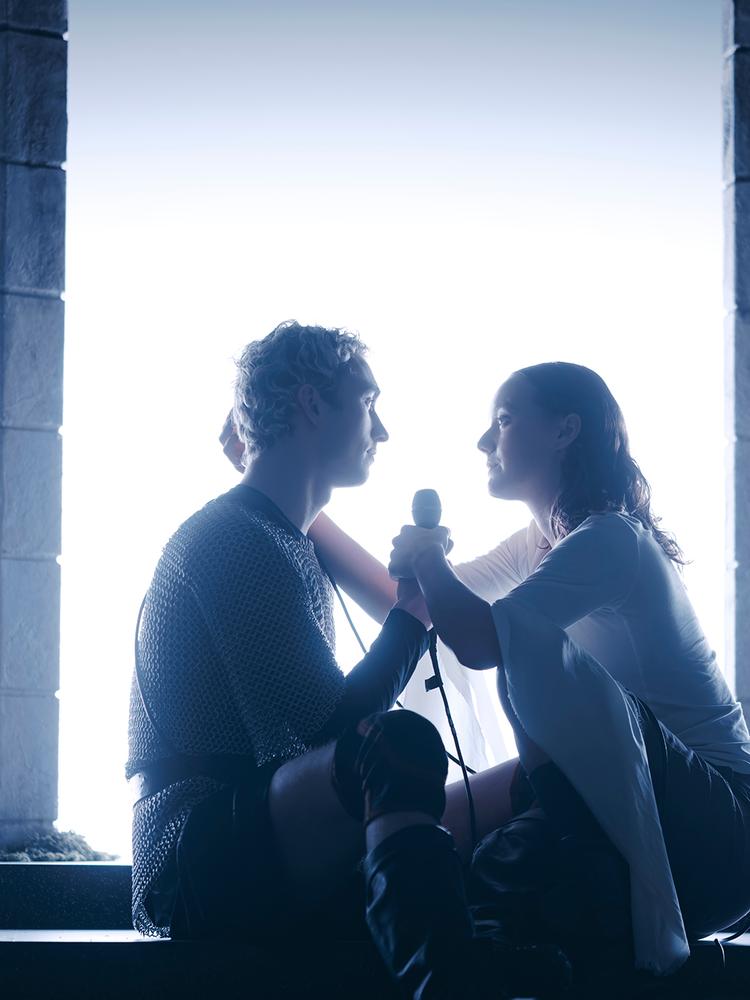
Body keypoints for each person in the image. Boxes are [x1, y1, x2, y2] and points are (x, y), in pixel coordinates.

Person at [304, 362, 750, 995]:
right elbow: (418, 609)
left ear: (565, 431)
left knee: (527, 651)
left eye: (504, 420)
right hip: (624, 780)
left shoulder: (613, 539)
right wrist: (308, 508)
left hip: (721, 823)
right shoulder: (534, 546)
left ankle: (571, 871)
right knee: (421, 832)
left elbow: (485, 641)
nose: (484, 440)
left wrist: (430, 557)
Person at [126, 321, 439, 943]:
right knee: (395, 745)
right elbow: (330, 732)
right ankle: (450, 978)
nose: (381, 430)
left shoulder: (276, 537)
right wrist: (413, 613)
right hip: (189, 859)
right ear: (312, 404)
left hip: (249, 836)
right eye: (369, 402)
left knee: (514, 792)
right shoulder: (234, 538)